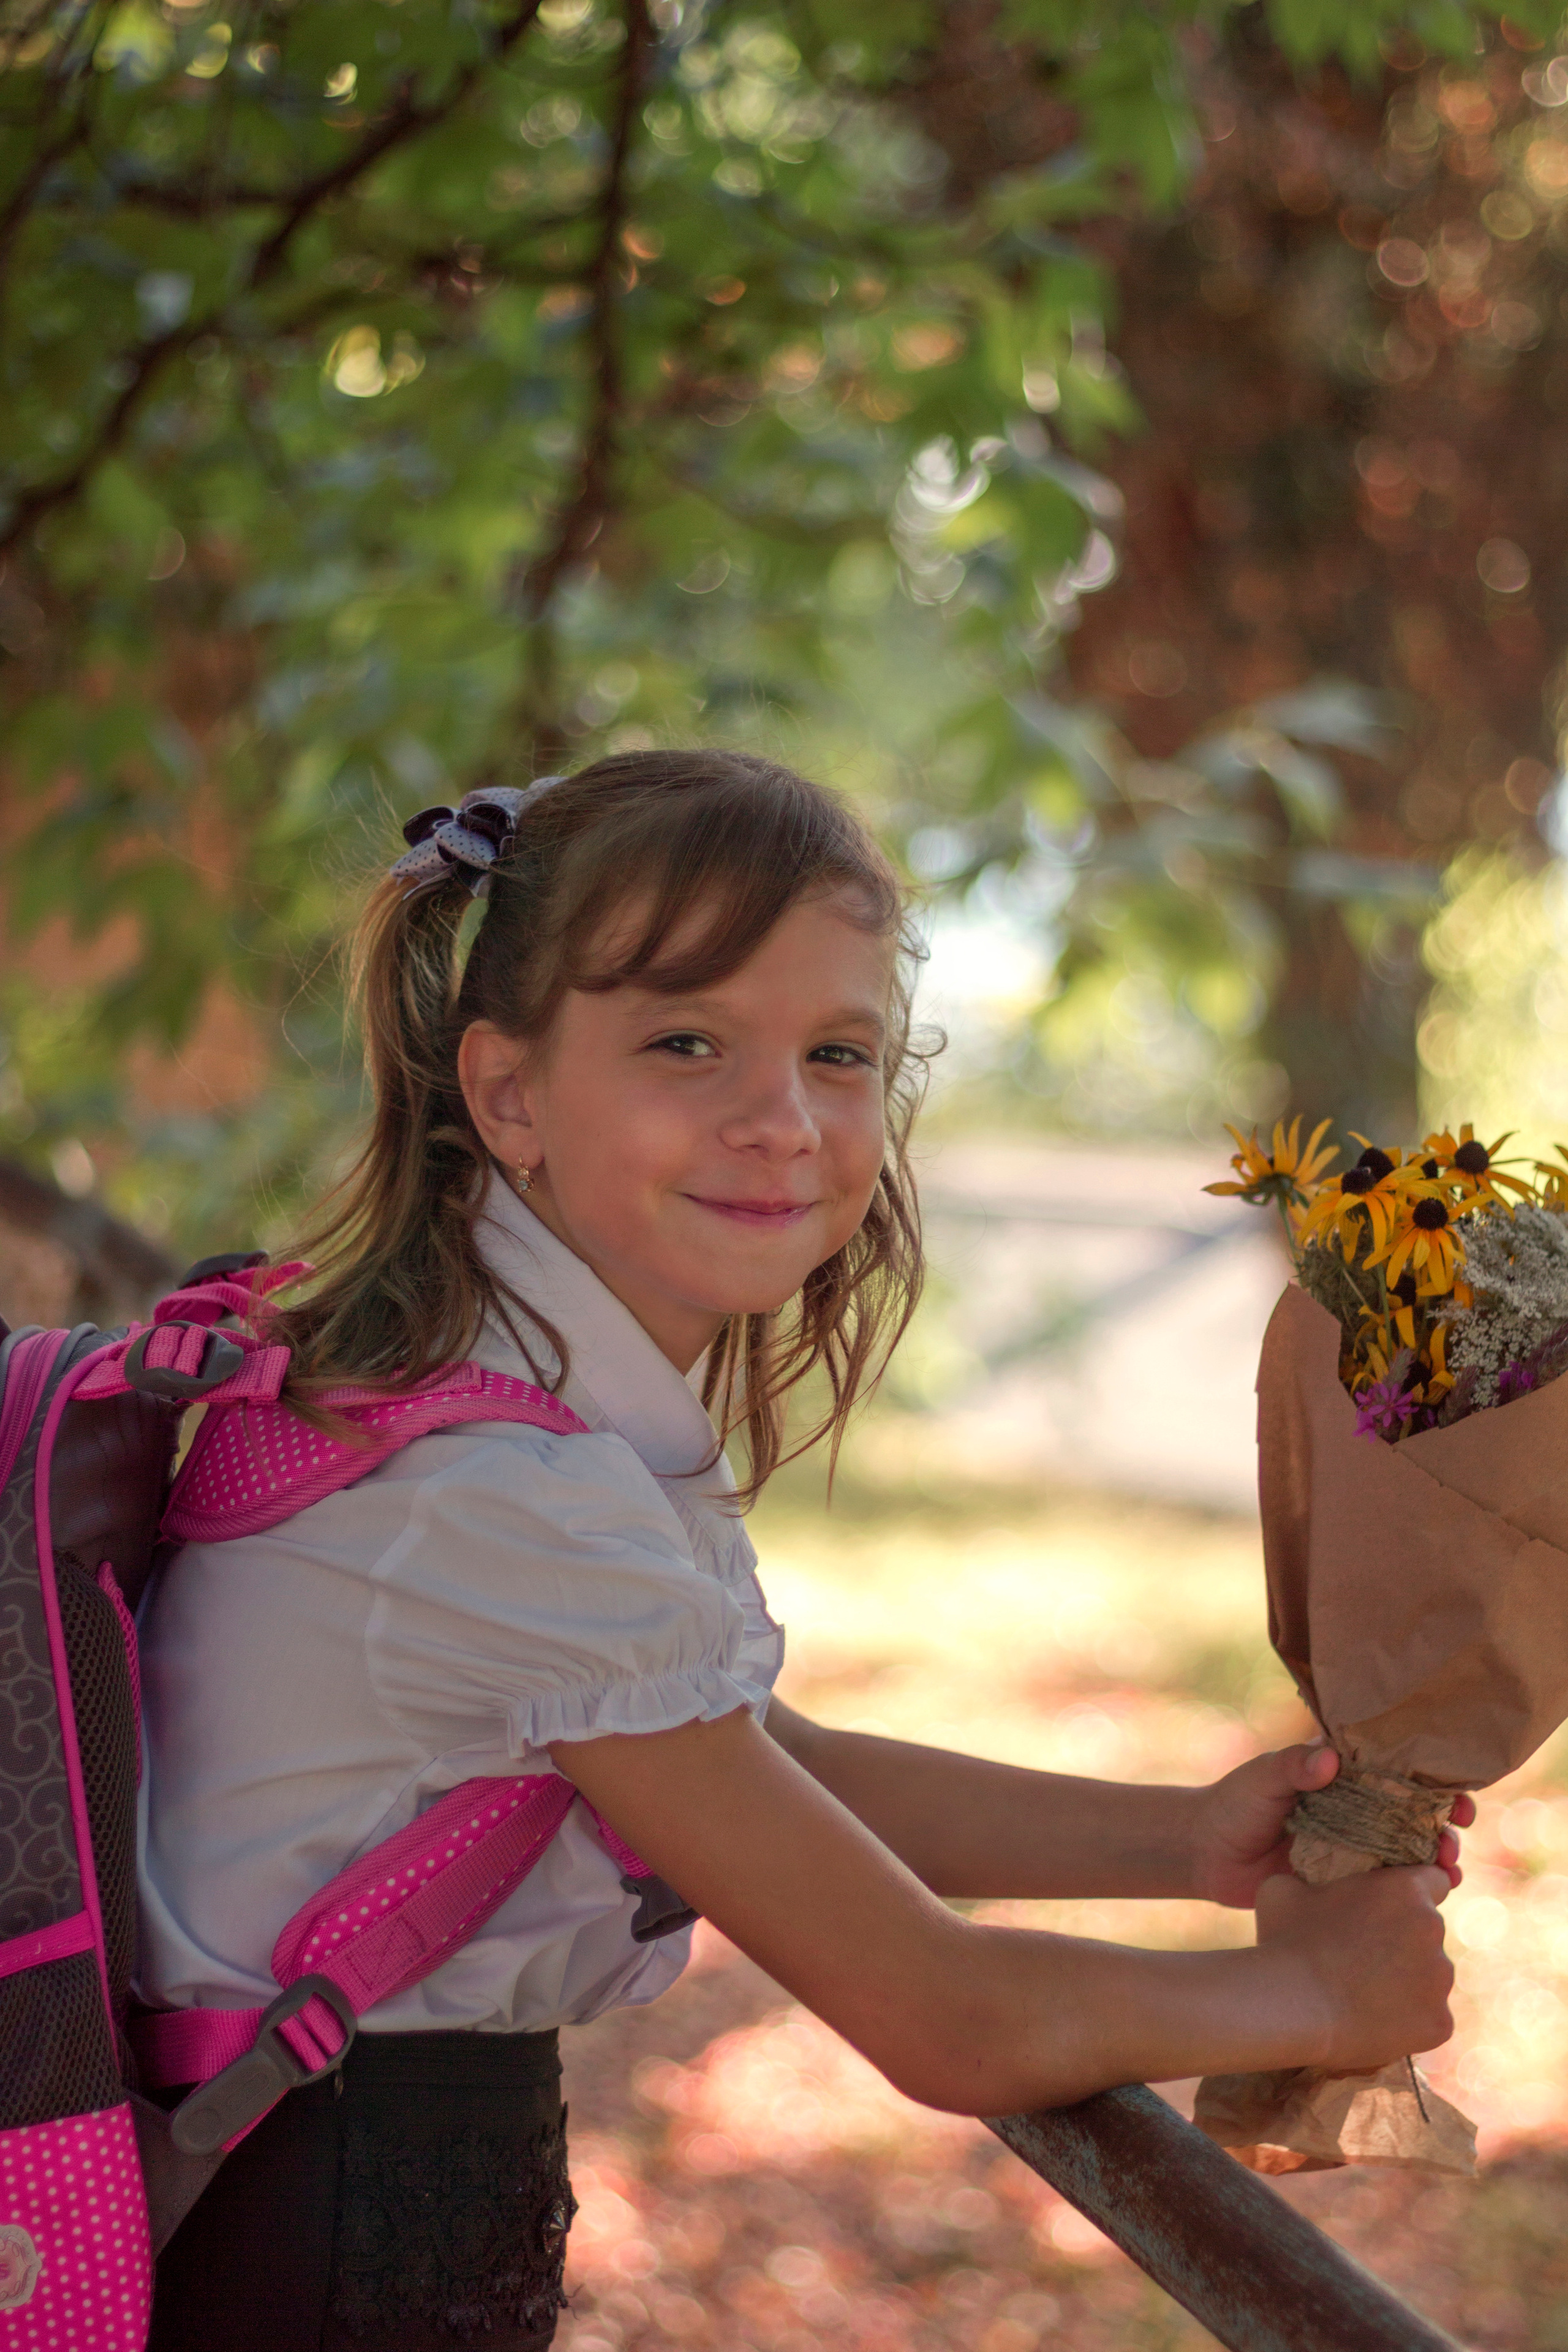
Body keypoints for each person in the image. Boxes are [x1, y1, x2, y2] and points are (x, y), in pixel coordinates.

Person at [139, 749, 1466, 2351]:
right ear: (507, 1092)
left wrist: (1182, 1841)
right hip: (312, 2255)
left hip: (322, 2205)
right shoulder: (508, 1503)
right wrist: (1314, 2002)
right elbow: (947, 2017)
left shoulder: (489, 1414)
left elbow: (767, 1763)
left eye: (838, 1053)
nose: (781, 1123)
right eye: (686, 1042)